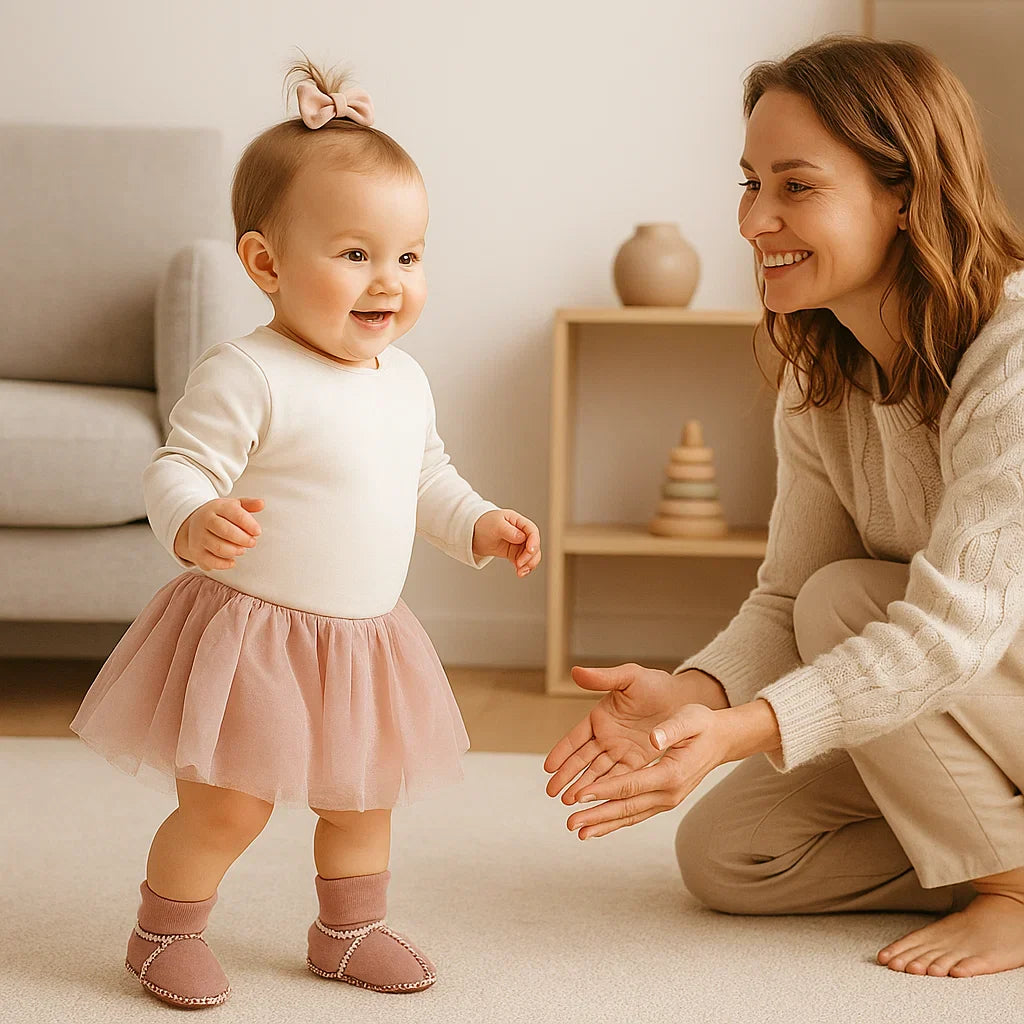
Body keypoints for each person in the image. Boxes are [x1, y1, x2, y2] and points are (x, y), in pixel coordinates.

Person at [544, 34, 1024, 980]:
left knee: (849, 601)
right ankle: (988, 853)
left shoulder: (1011, 356)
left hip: (986, 675)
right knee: (732, 855)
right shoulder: (823, 371)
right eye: (750, 183)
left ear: (905, 193)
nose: (754, 219)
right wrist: (694, 698)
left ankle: (1008, 890)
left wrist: (746, 730)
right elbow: (784, 596)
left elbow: (955, 631)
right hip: (976, 714)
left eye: (795, 186)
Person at [70, 56, 541, 1008]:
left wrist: (479, 523)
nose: (388, 282)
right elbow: (177, 466)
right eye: (356, 254)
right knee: (227, 806)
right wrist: (194, 516)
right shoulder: (248, 372)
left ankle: (347, 930)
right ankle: (164, 934)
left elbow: (426, 477)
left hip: (365, 642)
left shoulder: (404, 381)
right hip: (257, 638)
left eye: (409, 256)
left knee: (363, 802)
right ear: (265, 264)